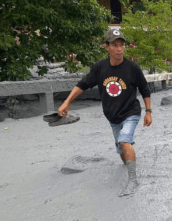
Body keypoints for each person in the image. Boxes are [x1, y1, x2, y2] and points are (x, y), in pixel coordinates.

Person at [57, 29, 152, 197]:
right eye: (115, 45)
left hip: (131, 112)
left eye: (121, 45)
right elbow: (82, 84)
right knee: (122, 150)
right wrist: (66, 102)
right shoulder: (100, 68)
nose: (119, 49)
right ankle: (127, 159)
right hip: (112, 116)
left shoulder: (132, 68)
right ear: (106, 47)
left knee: (124, 141)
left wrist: (148, 112)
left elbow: (145, 90)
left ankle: (133, 181)